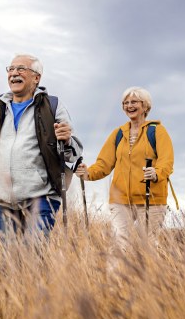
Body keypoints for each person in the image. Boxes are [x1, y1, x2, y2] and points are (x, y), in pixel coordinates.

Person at [0, 53, 82, 240]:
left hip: (41, 198)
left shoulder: (52, 106)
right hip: (3, 201)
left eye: (21, 69)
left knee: (32, 256)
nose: (14, 73)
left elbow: (74, 153)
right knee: (10, 262)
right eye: (11, 69)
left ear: (36, 78)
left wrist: (66, 140)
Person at [74, 86, 174, 251]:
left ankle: (152, 276)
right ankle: (115, 277)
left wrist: (156, 173)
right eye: (125, 103)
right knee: (119, 245)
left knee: (148, 245)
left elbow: (167, 161)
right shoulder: (118, 133)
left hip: (151, 198)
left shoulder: (157, 132)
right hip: (120, 199)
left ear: (145, 106)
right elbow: (104, 164)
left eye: (134, 102)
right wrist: (88, 173)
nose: (129, 106)